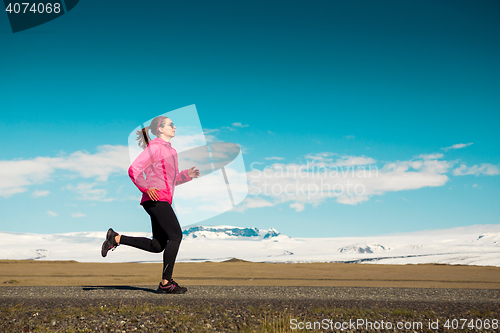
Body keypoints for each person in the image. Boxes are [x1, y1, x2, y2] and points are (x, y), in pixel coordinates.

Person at [101, 116, 200, 294]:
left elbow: (170, 180)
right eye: (171, 125)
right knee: (176, 235)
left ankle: (115, 238)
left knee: (157, 245)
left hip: (161, 198)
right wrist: (147, 188)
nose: (175, 127)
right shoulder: (154, 148)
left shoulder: (172, 151)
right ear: (160, 129)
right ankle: (166, 283)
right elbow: (133, 170)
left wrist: (186, 175)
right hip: (155, 199)